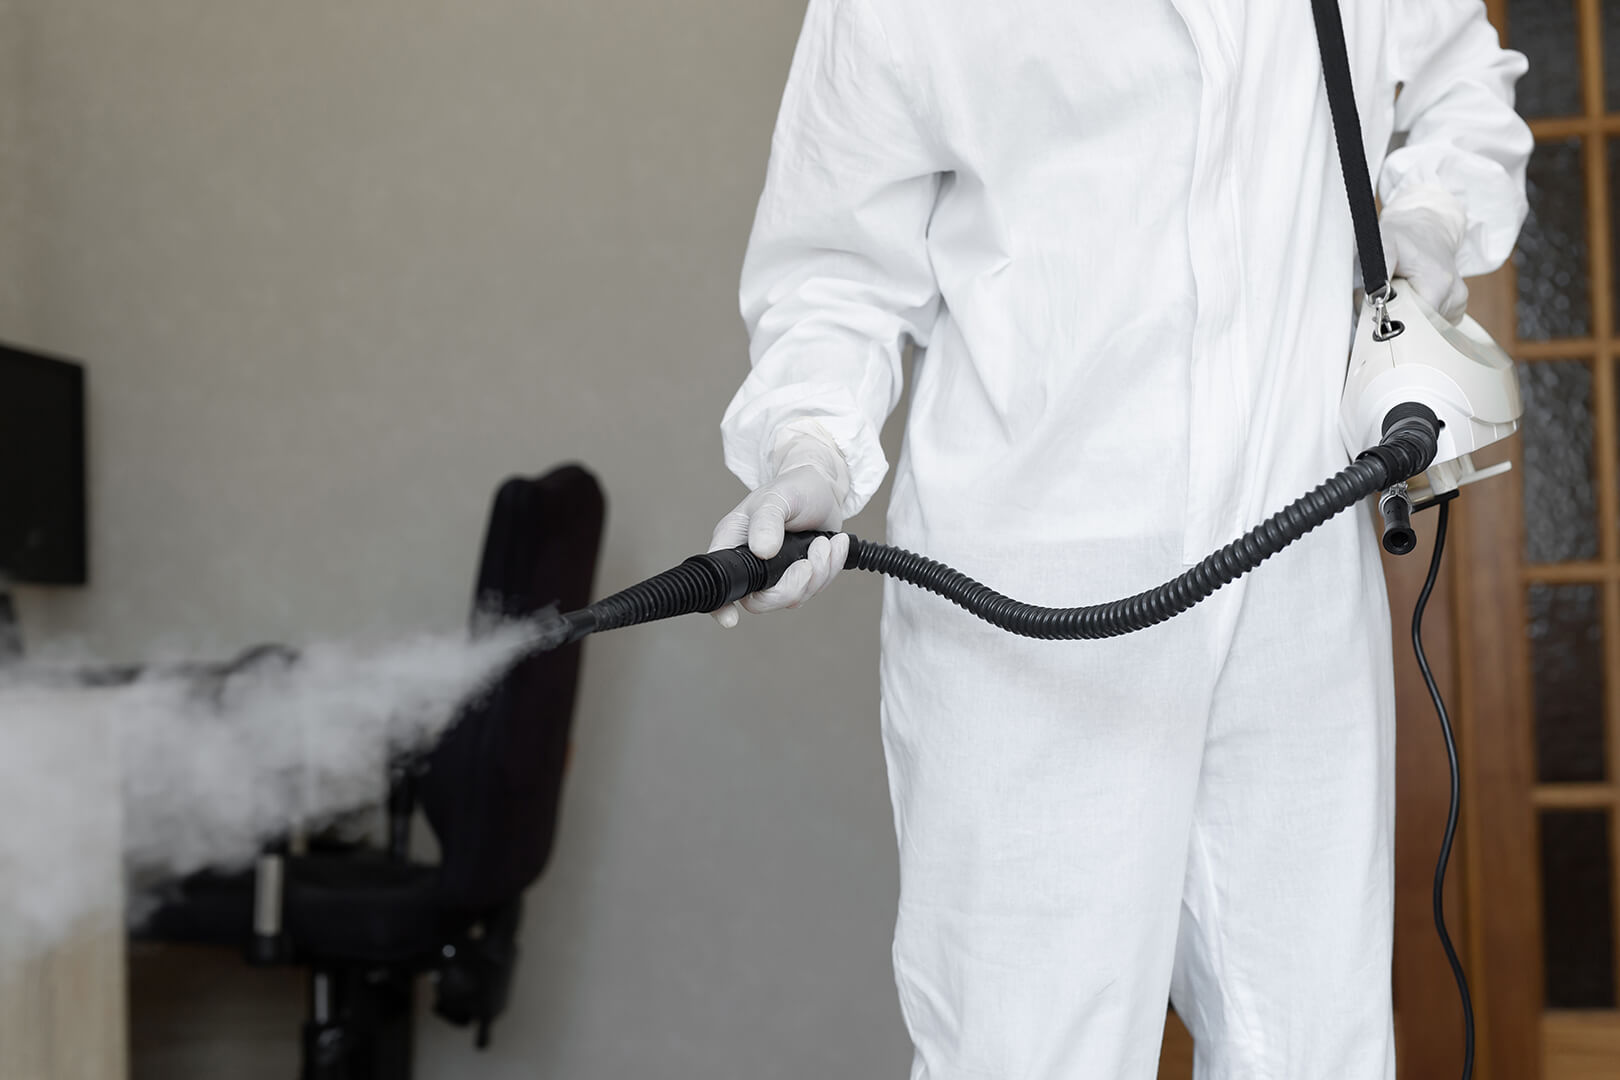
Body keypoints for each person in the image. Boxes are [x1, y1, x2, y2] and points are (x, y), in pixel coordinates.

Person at [710, 2, 1531, 1076]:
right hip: (1029, 597)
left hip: (1295, 570)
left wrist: (1426, 217)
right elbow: (836, 271)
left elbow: (1461, 78)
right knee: (1029, 1047)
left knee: (1313, 1042)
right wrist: (810, 448)